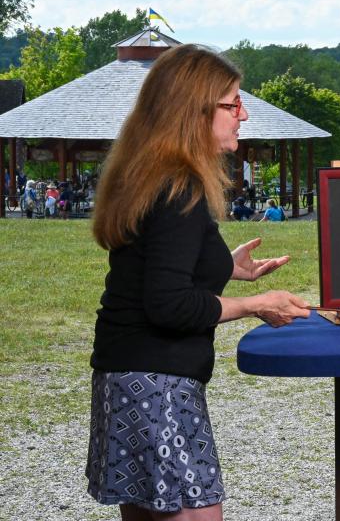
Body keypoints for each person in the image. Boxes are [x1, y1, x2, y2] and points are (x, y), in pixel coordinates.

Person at [86, 44, 312, 519]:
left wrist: (225, 266)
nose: (243, 114)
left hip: (125, 378)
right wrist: (255, 303)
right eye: (233, 103)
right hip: (156, 386)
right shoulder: (180, 186)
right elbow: (168, 304)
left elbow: (153, 264)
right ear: (195, 110)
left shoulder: (151, 173)